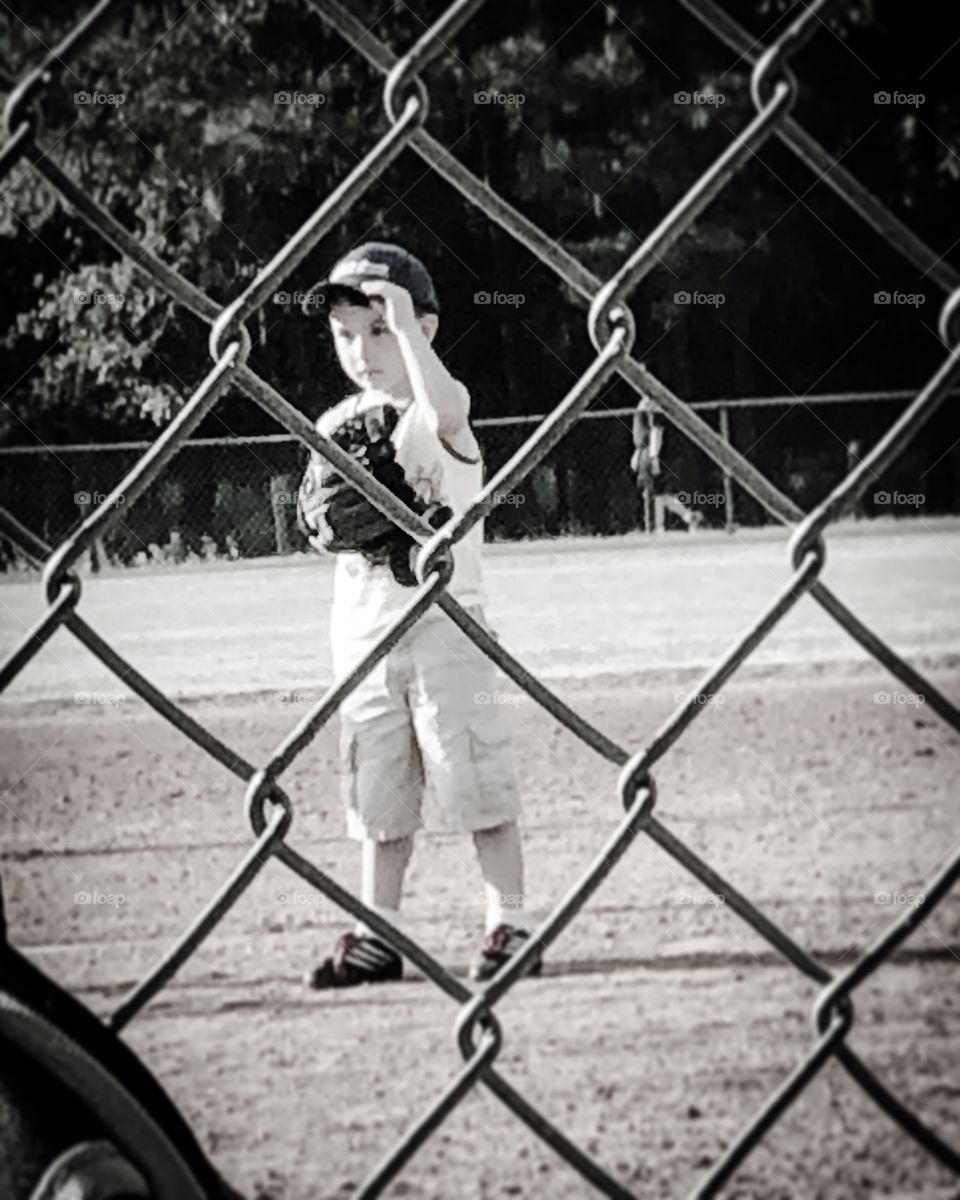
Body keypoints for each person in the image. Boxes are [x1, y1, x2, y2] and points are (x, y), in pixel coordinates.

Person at [300, 242, 539, 988]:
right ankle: (379, 934)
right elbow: (318, 522)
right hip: (365, 637)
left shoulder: (441, 410)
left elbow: (447, 408)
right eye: (346, 335)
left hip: (449, 630)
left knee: (476, 785)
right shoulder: (337, 419)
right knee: (379, 800)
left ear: (423, 329)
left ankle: (509, 923)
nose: (363, 351)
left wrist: (402, 323)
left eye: (380, 331)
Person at [630, 396, 701, 532]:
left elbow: (655, 437)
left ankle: (660, 524)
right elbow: (641, 442)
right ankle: (682, 518)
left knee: (657, 494)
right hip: (646, 456)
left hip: (651, 458)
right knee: (658, 495)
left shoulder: (653, 419)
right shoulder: (641, 419)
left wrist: (654, 459)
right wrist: (637, 455)